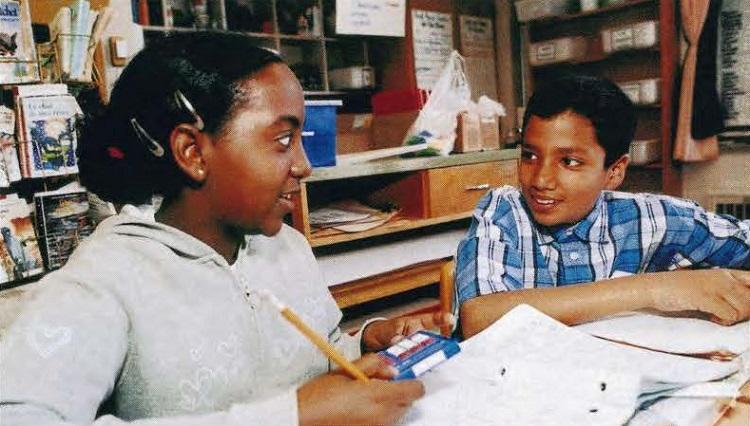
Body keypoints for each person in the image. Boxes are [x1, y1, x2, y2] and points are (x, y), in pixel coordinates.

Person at [0, 32, 453, 425]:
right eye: (282, 140)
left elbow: (319, 353)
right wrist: (291, 417)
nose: (304, 166)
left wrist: (364, 342)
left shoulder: (286, 246)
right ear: (192, 152)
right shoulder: (106, 280)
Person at [455, 74, 750, 338]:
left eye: (569, 162)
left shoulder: (648, 218)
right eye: (530, 156)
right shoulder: (505, 210)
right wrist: (655, 288)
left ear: (615, 171)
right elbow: (479, 319)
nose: (541, 179)